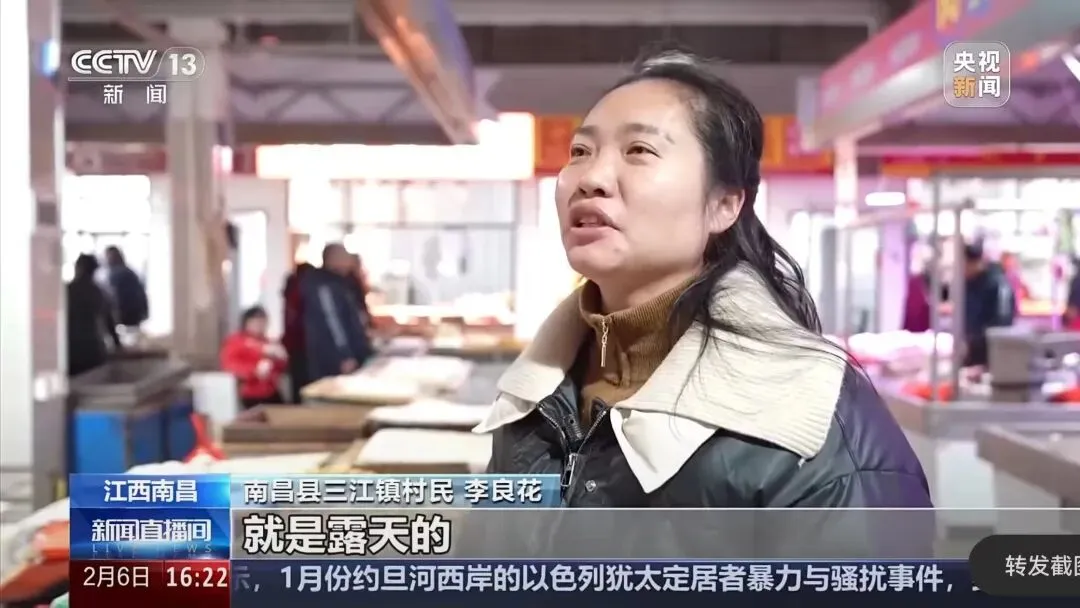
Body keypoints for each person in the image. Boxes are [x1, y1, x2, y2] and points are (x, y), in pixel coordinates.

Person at [471, 49, 932, 556]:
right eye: (580, 151)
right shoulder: (535, 395)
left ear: (723, 205)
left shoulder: (811, 412)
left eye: (639, 150)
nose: (590, 177)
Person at [301, 243, 375, 383]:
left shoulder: (340, 283)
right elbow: (332, 321)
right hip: (333, 361)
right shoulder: (324, 286)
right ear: (333, 259)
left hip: (346, 356)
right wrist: (344, 355)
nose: (349, 262)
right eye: (345, 257)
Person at [220, 306, 287, 409]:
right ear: (246, 323)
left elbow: (280, 368)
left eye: (262, 321)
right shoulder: (236, 341)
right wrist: (254, 371)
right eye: (255, 321)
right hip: (249, 394)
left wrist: (281, 359)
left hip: (271, 393)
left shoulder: (269, 342)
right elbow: (230, 365)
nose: (259, 325)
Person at [961, 243, 1016, 367]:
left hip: (992, 354)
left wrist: (976, 341)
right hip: (971, 353)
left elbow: (1002, 323)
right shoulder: (968, 283)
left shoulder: (998, 284)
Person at [67, 254, 122, 377]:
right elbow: (110, 324)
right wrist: (118, 346)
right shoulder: (100, 293)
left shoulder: (66, 291)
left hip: (70, 351)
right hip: (94, 350)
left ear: (78, 268)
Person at [282, 262, 314, 402]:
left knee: (297, 384)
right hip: (304, 345)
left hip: (293, 344)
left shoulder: (290, 290)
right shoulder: (303, 291)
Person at [103, 246, 149, 331]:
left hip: (125, 316)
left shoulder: (117, 274)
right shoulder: (130, 272)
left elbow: (114, 297)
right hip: (135, 315)